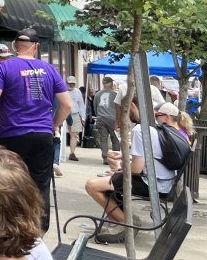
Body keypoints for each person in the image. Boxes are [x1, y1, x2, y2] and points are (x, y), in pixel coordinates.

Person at [0, 28, 70, 231]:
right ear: (36, 46)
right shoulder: (50, 69)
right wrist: (54, 124)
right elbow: (66, 105)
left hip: (13, 134)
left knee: (9, 181)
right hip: (42, 135)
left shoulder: (3, 67)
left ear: (14, 45)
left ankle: (11, 227)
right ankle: (38, 230)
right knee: (40, 183)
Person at [83, 102, 182, 244]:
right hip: (162, 182)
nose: (122, 113)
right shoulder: (161, 131)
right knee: (107, 178)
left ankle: (125, 223)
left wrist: (120, 169)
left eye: (124, 108)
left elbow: (136, 169)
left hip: (152, 184)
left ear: (134, 107)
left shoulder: (141, 130)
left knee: (92, 185)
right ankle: (124, 217)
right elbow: (149, 160)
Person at [92, 77, 121, 164]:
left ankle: (105, 157)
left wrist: (98, 115)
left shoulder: (97, 94)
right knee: (115, 138)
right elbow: (118, 108)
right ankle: (115, 157)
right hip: (112, 119)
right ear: (111, 84)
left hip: (101, 118)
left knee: (103, 139)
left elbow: (95, 107)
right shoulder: (115, 94)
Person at [66, 76, 85, 161]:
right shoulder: (63, 91)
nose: (71, 85)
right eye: (70, 83)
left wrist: (83, 118)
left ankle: (72, 153)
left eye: (73, 83)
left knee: (73, 134)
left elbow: (81, 105)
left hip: (74, 114)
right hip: (64, 114)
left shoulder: (78, 92)